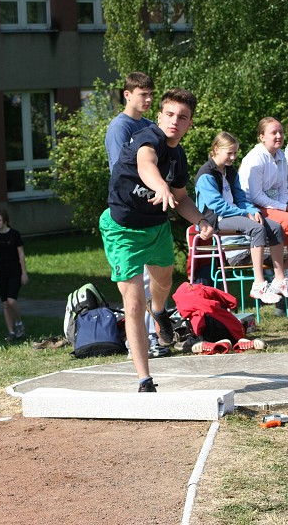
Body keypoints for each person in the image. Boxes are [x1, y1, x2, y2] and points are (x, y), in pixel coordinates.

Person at [99, 88, 214, 392]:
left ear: (189, 123)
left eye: (183, 117)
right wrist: (159, 185)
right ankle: (144, 378)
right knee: (134, 303)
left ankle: (160, 311)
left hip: (157, 229)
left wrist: (201, 220)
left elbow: (181, 197)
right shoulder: (147, 137)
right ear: (160, 115)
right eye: (170, 114)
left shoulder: (178, 156)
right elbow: (145, 164)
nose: (175, 121)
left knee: (164, 282)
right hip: (122, 230)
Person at [195, 131, 288, 303]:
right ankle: (258, 283)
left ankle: (279, 279)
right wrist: (245, 213)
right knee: (257, 228)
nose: (233, 157)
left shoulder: (230, 171)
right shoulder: (206, 174)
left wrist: (253, 210)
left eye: (235, 153)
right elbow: (217, 205)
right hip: (216, 219)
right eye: (229, 153)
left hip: (235, 213)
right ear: (216, 149)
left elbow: (241, 198)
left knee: (275, 227)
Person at [105, 71, 162, 356]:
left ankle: (152, 338)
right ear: (127, 95)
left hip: (150, 211)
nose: (149, 99)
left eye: (152, 94)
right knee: (134, 286)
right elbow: (123, 170)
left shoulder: (151, 126)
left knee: (153, 280)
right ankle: (136, 344)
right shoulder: (120, 128)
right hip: (128, 214)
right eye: (143, 95)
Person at [239, 116, 288, 299]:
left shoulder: (280, 156)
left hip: (277, 204)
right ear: (261, 136)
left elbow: (283, 189)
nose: (278, 136)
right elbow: (257, 196)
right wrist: (286, 209)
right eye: (273, 133)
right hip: (255, 206)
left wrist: (286, 206)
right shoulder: (256, 158)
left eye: (281, 132)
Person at [0, 209, 29, 342]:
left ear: (5, 220)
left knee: (12, 300)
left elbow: (21, 254)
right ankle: (11, 331)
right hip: (0, 273)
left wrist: (24, 273)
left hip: (14, 272)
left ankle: (19, 323)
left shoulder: (14, 234)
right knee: (5, 303)